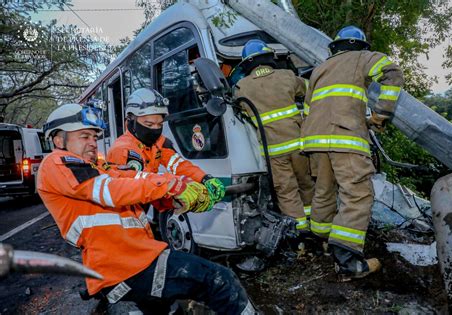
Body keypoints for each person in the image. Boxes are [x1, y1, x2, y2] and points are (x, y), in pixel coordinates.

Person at [37, 103, 257, 314]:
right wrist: (172, 185)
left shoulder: (97, 166)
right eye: (84, 136)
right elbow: (113, 190)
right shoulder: (56, 163)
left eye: (94, 137)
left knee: (168, 309)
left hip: (134, 258)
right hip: (126, 265)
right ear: (58, 139)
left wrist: (177, 196)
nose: (93, 143)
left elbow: (132, 177)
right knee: (219, 280)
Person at [301, 25, 404, 281]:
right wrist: (381, 114)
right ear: (360, 45)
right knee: (357, 194)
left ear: (336, 47)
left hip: (314, 141)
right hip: (345, 138)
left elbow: (306, 110)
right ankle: (347, 261)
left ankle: (324, 242)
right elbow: (392, 74)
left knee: (324, 191)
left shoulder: (319, 70)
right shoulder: (363, 58)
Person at [234, 39, 315, 232]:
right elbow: (311, 89)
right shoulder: (287, 76)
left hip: (274, 152)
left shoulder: (241, 87)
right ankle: (316, 224)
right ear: (269, 57)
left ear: (247, 63)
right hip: (300, 147)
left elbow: (239, 112)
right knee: (307, 184)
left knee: (287, 192)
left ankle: (299, 232)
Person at [107, 88, 225, 219]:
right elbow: (140, 184)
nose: (155, 129)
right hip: (122, 215)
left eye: (159, 124)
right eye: (149, 124)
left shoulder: (158, 143)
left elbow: (178, 165)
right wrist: (176, 186)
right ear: (130, 119)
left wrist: (204, 178)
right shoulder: (123, 150)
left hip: (140, 214)